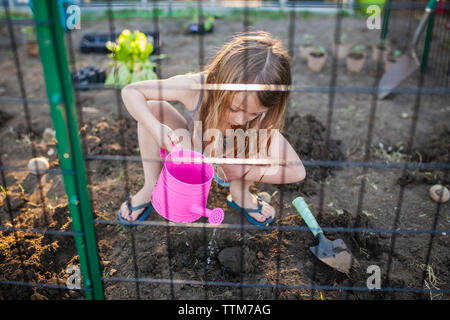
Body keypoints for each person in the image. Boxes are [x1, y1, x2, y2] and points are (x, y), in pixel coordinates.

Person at [118, 30, 306, 226]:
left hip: (232, 162)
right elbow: (131, 91)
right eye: (234, 108)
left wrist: (247, 171)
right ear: (215, 82)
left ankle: (240, 193)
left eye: (254, 113)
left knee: (263, 139)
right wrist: (157, 130)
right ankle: (151, 187)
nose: (241, 120)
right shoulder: (195, 88)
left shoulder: (262, 120)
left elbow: (298, 171)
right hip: (194, 150)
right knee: (153, 108)